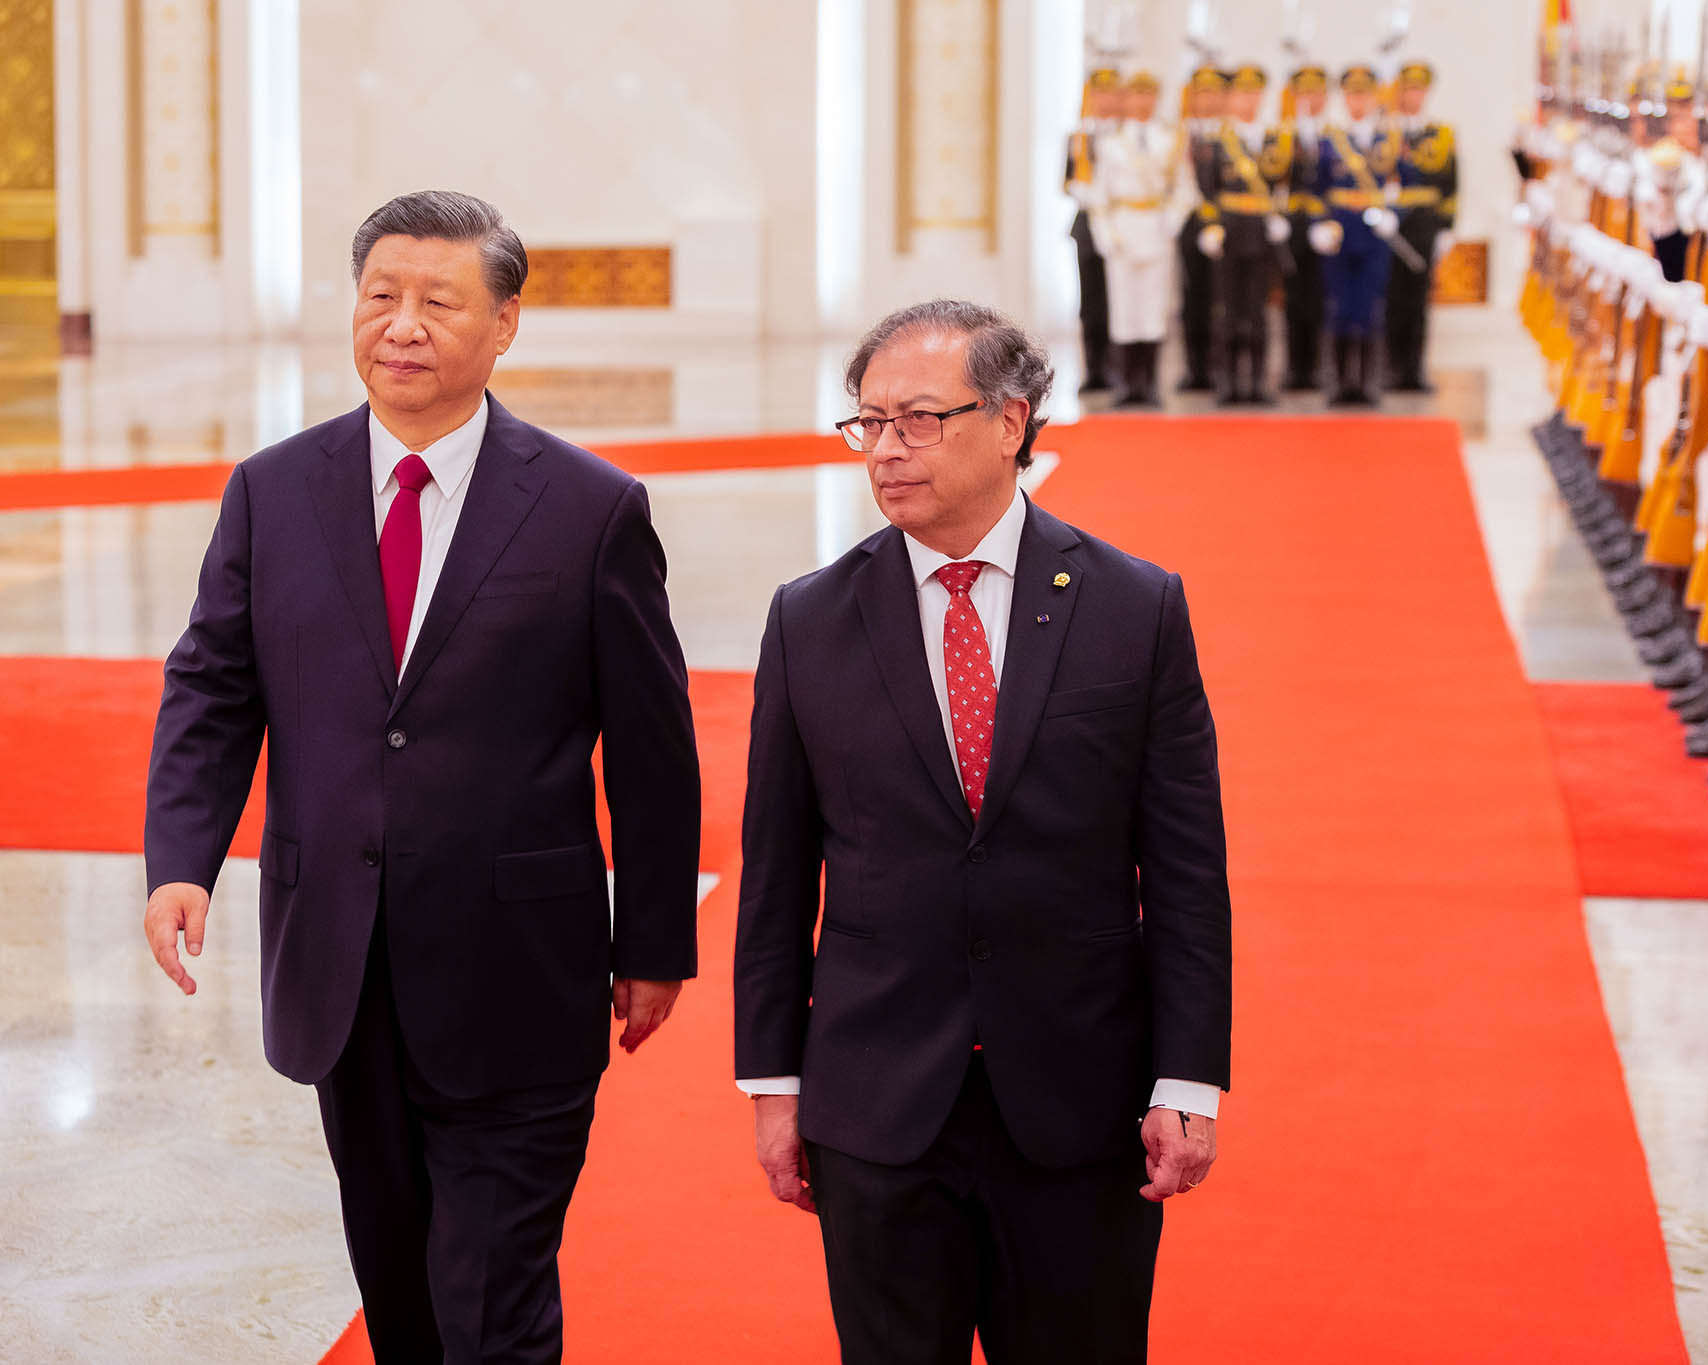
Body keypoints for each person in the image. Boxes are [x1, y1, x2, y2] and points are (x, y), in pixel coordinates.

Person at [141, 190, 701, 1361]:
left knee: (490, 1305)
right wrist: (180, 859)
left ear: (502, 325)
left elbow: (651, 747)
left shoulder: (591, 511)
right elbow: (212, 686)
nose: (401, 324)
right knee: (396, 1286)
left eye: (437, 301)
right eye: (379, 296)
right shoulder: (273, 490)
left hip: (519, 976)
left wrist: (652, 942)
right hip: (341, 963)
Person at [734, 299, 1232, 1364]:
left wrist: (1187, 1080)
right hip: (874, 1106)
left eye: (917, 419)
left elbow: (1187, 869)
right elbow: (774, 877)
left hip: (1077, 1103)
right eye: (866, 422)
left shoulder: (1133, 607)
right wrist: (773, 1088)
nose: (884, 450)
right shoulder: (810, 618)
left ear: (1010, 423)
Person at [1199, 65, 1293, 404]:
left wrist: (1279, 216)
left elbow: (1283, 184)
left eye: (1255, 93)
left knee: (1257, 311)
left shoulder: (1274, 139)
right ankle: (1228, 382)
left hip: (1260, 234)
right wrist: (1211, 226)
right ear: (1231, 98)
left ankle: (1256, 382)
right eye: (1242, 93)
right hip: (1230, 232)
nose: (1248, 100)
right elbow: (1207, 189)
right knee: (1227, 310)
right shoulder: (1217, 141)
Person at [1313, 65, 1397, 405]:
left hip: (1373, 235)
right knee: (1339, 308)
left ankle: (1367, 382)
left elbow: (1399, 184)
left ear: (1374, 97)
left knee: (1370, 308)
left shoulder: (1388, 140)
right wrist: (1319, 222)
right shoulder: (1330, 139)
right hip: (1340, 232)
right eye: (1352, 95)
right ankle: (1339, 383)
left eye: (1364, 94)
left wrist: (1394, 214)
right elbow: (1317, 187)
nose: (1357, 101)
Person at [1097, 70, 1179, 407]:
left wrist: (1170, 223)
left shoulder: (1171, 140)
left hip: (1156, 226)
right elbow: (1099, 195)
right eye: (1136, 94)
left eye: (1149, 94)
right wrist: (1107, 234)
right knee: (1125, 305)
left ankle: (1150, 383)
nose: (1143, 102)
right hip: (1124, 225)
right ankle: (1127, 384)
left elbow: (1182, 190)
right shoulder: (1111, 143)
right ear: (1127, 100)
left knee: (1153, 306)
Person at [1383, 60, 1457, 393]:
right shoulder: (1386, 132)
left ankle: (1413, 371)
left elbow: (1450, 184)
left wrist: (1447, 228)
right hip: (1391, 225)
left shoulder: (1440, 134)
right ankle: (1389, 369)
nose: (1413, 95)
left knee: (1417, 302)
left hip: (1424, 224)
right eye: (1408, 89)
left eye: (1418, 89)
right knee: (1390, 299)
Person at [1068, 68, 1124, 394]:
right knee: (1091, 302)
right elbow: (1067, 180)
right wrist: (1081, 190)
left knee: (1120, 299)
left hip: (1120, 224)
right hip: (1089, 225)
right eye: (1098, 93)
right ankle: (1095, 369)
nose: (1104, 100)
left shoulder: (1124, 138)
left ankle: (1120, 369)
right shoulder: (1080, 137)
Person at [1174, 65, 1228, 392]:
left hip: (1223, 223)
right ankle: (1194, 368)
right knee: (1191, 296)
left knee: (1221, 297)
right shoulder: (1180, 134)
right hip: (1190, 222)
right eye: (1200, 93)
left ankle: (1218, 366)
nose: (1206, 99)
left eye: (1212, 93)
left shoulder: (1229, 134)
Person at [1283, 64, 1331, 391]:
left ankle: (1315, 368)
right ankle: (1293, 368)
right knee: (1292, 299)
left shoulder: (1333, 134)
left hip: (1323, 224)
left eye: (1316, 92)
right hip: (1291, 224)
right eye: (1304, 92)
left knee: (1320, 298)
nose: (1310, 99)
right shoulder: (1284, 134)